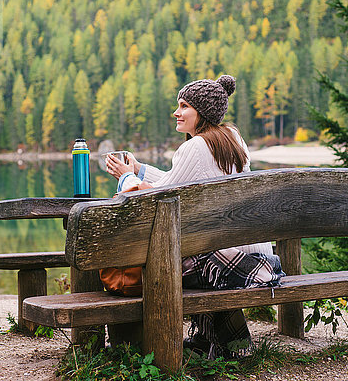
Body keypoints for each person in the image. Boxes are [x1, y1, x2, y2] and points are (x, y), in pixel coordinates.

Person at [105, 75, 285, 360]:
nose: (177, 112)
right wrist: (139, 170)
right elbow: (177, 183)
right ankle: (220, 340)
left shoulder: (194, 147)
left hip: (228, 264)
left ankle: (144, 345)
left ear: (201, 112)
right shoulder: (232, 139)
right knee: (190, 250)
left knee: (162, 264)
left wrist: (126, 178)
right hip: (258, 258)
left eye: (184, 106)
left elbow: (157, 198)